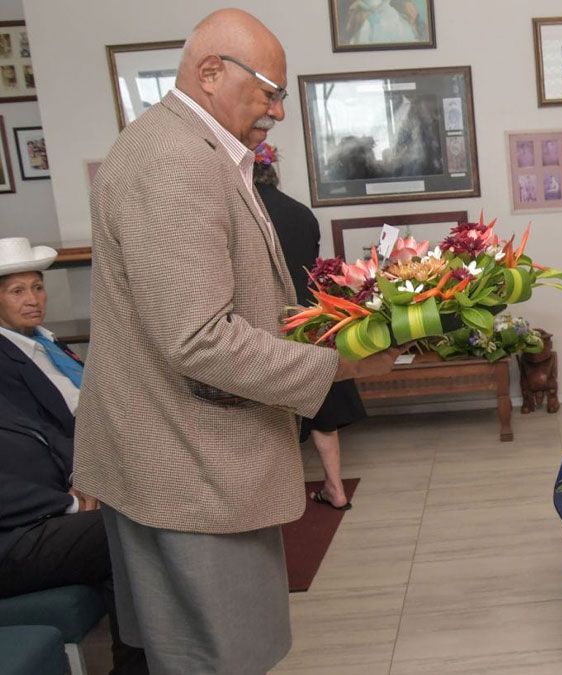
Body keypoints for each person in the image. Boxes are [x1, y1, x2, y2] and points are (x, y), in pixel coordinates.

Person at [75, 9, 400, 673]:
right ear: (210, 73)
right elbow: (199, 341)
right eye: (270, 92)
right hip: (193, 470)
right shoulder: (177, 161)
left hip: (172, 459)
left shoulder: (185, 147)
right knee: (219, 659)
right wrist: (340, 362)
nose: (279, 110)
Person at [0, 394, 148, 675]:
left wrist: (80, 477)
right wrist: (70, 505)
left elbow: (45, 433)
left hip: (41, 511)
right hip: (10, 537)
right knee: (121, 530)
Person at [254, 143, 364, 510]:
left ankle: (268, 497)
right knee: (322, 407)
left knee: (265, 411)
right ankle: (336, 488)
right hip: (310, 317)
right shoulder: (302, 214)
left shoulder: (244, 216)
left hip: (263, 320)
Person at [0, 237, 79, 437]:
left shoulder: (48, 341)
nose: (32, 300)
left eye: (37, 288)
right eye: (17, 291)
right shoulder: (4, 361)